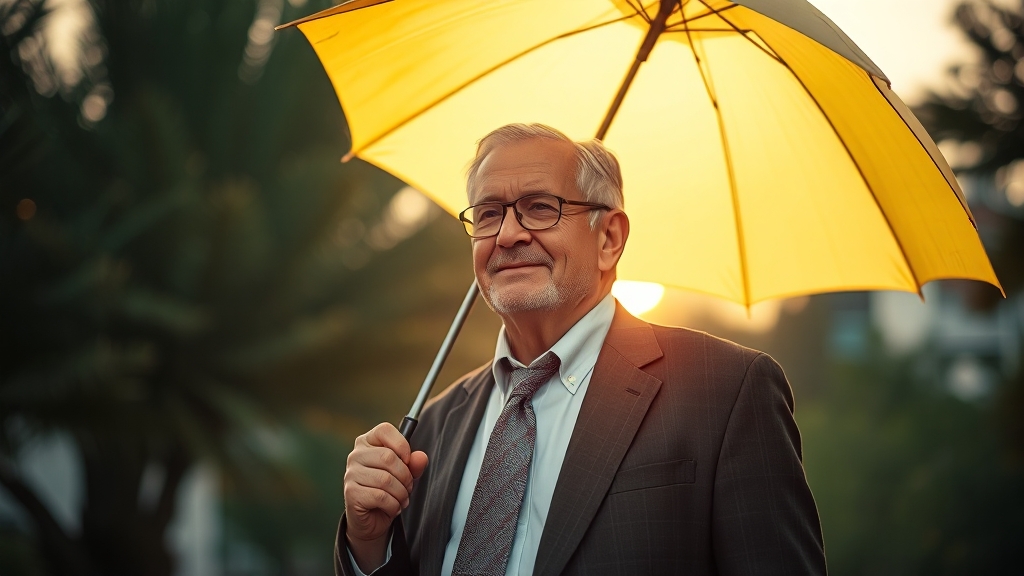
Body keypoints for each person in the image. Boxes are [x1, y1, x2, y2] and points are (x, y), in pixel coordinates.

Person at [336, 124, 827, 576]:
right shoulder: (434, 427)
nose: (508, 234)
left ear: (609, 238)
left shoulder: (726, 391)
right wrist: (370, 543)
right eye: (488, 214)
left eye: (540, 207)